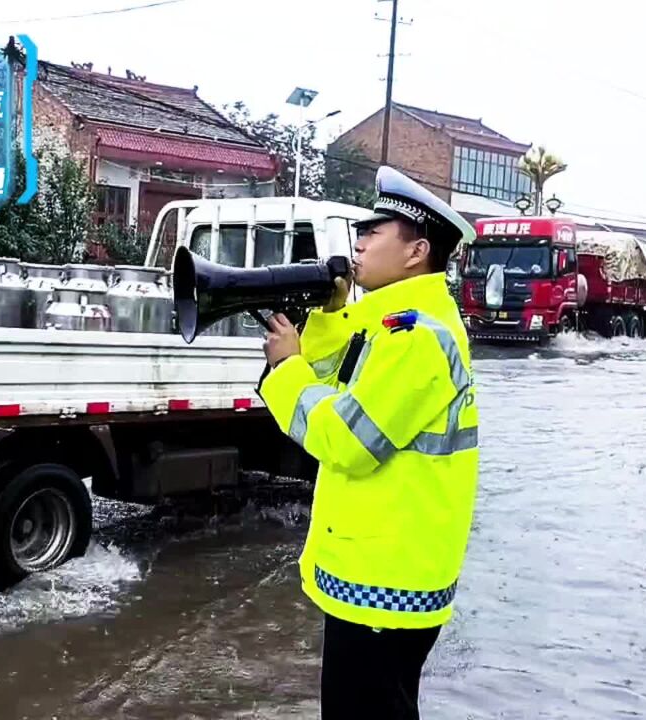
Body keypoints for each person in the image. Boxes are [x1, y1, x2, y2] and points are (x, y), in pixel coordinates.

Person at [257, 166, 480, 719]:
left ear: (416, 251)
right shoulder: (395, 324)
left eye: (373, 233)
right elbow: (339, 379)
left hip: (388, 575)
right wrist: (331, 317)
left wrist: (286, 370)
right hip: (383, 568)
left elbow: (348, 439)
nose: (358, 243)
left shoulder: (415, 339)